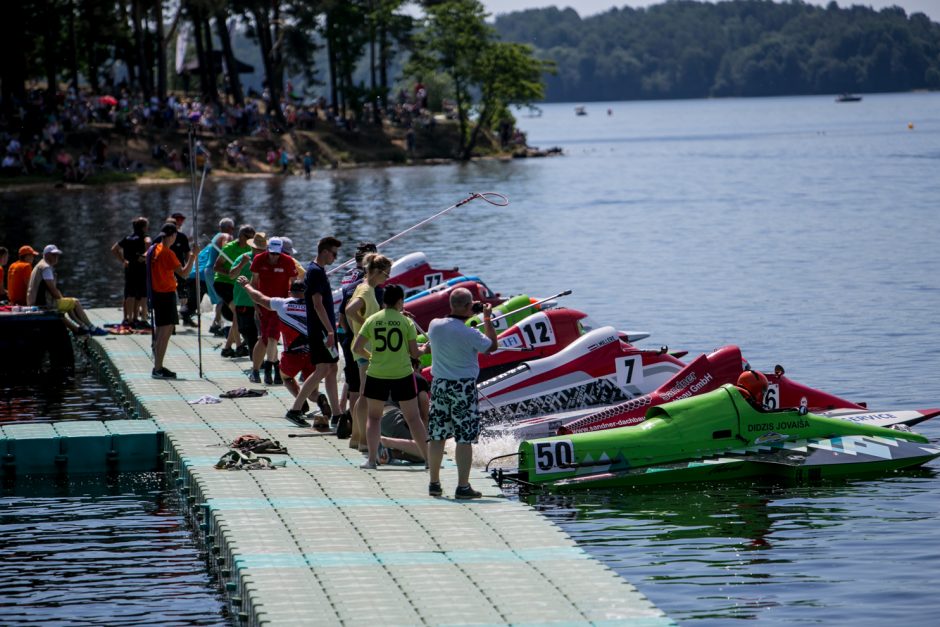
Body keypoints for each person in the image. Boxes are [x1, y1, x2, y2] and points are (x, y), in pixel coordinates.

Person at [425, 287, 498, 499]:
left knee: (437, 436)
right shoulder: (471, 333)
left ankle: (434, 483)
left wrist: (468, 313)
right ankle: (463, 486)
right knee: (464, 439)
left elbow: (446, 333)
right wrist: (486, 318)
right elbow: (492, 346)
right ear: (468, 307)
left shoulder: (434, 325)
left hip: (439, 386)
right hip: (463, 388)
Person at [352, 285, 428, 469]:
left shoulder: (372, 319)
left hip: (377, 374)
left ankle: (371, 460)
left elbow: (356, 348)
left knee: (374, 418)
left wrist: (372, 357)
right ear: (400, 301)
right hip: (402, 374)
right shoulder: (405, 322)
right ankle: (428, 460)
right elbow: (414, 353)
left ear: (383, 301)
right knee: (413, 418)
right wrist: (425, 348)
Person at [285, 236, 343, 429]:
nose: (335, 257)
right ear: (325, 252)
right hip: (321, 331)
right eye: (334, 254)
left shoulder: (318, 271)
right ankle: (295, 409)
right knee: (323, 369)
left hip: (325, 330)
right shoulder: (315, 272)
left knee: (332, 369)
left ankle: (337, 414)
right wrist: (330, 331)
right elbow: (318, 305)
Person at [237, 277, 313, 411]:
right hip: (313, 353)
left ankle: (300, 401)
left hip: (293, 354)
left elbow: (259, 298)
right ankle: (319, 399)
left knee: (286, 377)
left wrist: (246, 285)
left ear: (290, 292)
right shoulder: (314, 305)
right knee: (313, 390)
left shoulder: (282, 303)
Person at [344, 252, 391, 453]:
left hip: (363, 347)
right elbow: (349, 311)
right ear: (377, 272)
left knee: (363, 394)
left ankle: (356, 437)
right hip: (365, 350)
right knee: (365, 395)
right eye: (386, 275)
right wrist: (367, 327)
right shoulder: (366, 290)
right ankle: (363, 439)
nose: (387, 279)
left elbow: (351, 313)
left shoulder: (365, 286)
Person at [337, 241, 378, 447]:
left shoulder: (347, 276)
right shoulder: (365, 282)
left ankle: (355, 433)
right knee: (363, 389)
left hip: (348, 335)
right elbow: (349, 309)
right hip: (362, 339)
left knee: (354, 386)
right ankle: (361, 435)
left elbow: (342, 310)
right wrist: (368, 326)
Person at [148, 223, 197, 378]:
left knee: (162, 330)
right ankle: (158, 368)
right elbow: (184, 273)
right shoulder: (167, 253)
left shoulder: (154, 248)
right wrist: (193, 256)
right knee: (165, 332)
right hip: (165, 294)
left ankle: (158, 366)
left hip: (157, 294)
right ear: (173, 236)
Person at [27, 245, 108, 336]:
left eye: (57, 255)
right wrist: (60, 298)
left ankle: (84, 327)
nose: (56, 257)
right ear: (46, 255)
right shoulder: (46, 268)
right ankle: (91, 327)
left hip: (34, 303)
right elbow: (52, 289)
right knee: (75, 302)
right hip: (44, 304)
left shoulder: (39, 265)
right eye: (54, 255)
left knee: (69, 303)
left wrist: (61, 299)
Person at [248, 236, 298, 384]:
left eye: (277, 253)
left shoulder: (288, 261)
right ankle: (260, 370)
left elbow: (294, 284)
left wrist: (293, 304)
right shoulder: (259, 259)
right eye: (272, 253)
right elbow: (254, 283)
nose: (274, 256)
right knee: (265, 338)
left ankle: (268, 370)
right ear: (268, 250)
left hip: (280, 305)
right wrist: (255, 304)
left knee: (272, 337)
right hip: (263, 304)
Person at [228, 233, 267, 380]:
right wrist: (242, 264)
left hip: (261, 301)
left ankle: (260, 362)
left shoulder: (267, 259)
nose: (260, 252)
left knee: (262, 334)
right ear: (252, 247)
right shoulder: (243, 258)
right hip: (243, 300)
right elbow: (231, 275)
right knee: (246, 331)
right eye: (257, 249)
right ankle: (256, 360)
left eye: (262, 249)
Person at [213, 225, 255, 357]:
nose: (250, 241)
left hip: (237, 285)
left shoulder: (250, 249)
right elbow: (216, 267)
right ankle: (238, 346)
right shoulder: (229, 248)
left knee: (238, 315)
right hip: (223, 283)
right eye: (248, 237)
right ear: (241, 236)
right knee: (237, 313)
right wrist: (232, 273)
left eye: (252, 238)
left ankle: (227, 348)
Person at [111, 216, 150, 327]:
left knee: (130, 294)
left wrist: (123, 260)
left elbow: (114, 249)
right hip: (141, 269)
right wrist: (145, 255)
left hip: (130, 268)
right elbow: (149, 245)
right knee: (142, 295)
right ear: (143, 227)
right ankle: (141, 319)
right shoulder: (145, 237)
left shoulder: (127, 238)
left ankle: (129, 319)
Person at [205, 218, 236, 336]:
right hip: (215, 270)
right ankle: (216, 324)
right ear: (229, 228)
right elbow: (226, 248)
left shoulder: (216, 236)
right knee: (222, 298)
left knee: (220, 299)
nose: (233, 231)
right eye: (232, 228)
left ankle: (216, 323)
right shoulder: (225, 236)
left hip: (209, 269)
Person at [168, 212, 193, 324]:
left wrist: (188, 265)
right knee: (169, 291)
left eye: (181, 219)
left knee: (183, 292)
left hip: (179, 267)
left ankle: (184, 314)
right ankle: (171, 314)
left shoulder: (182, 236)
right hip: (167, 268)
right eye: (177, 220)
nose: (180, 222)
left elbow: (187, 252)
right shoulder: (163, 237)